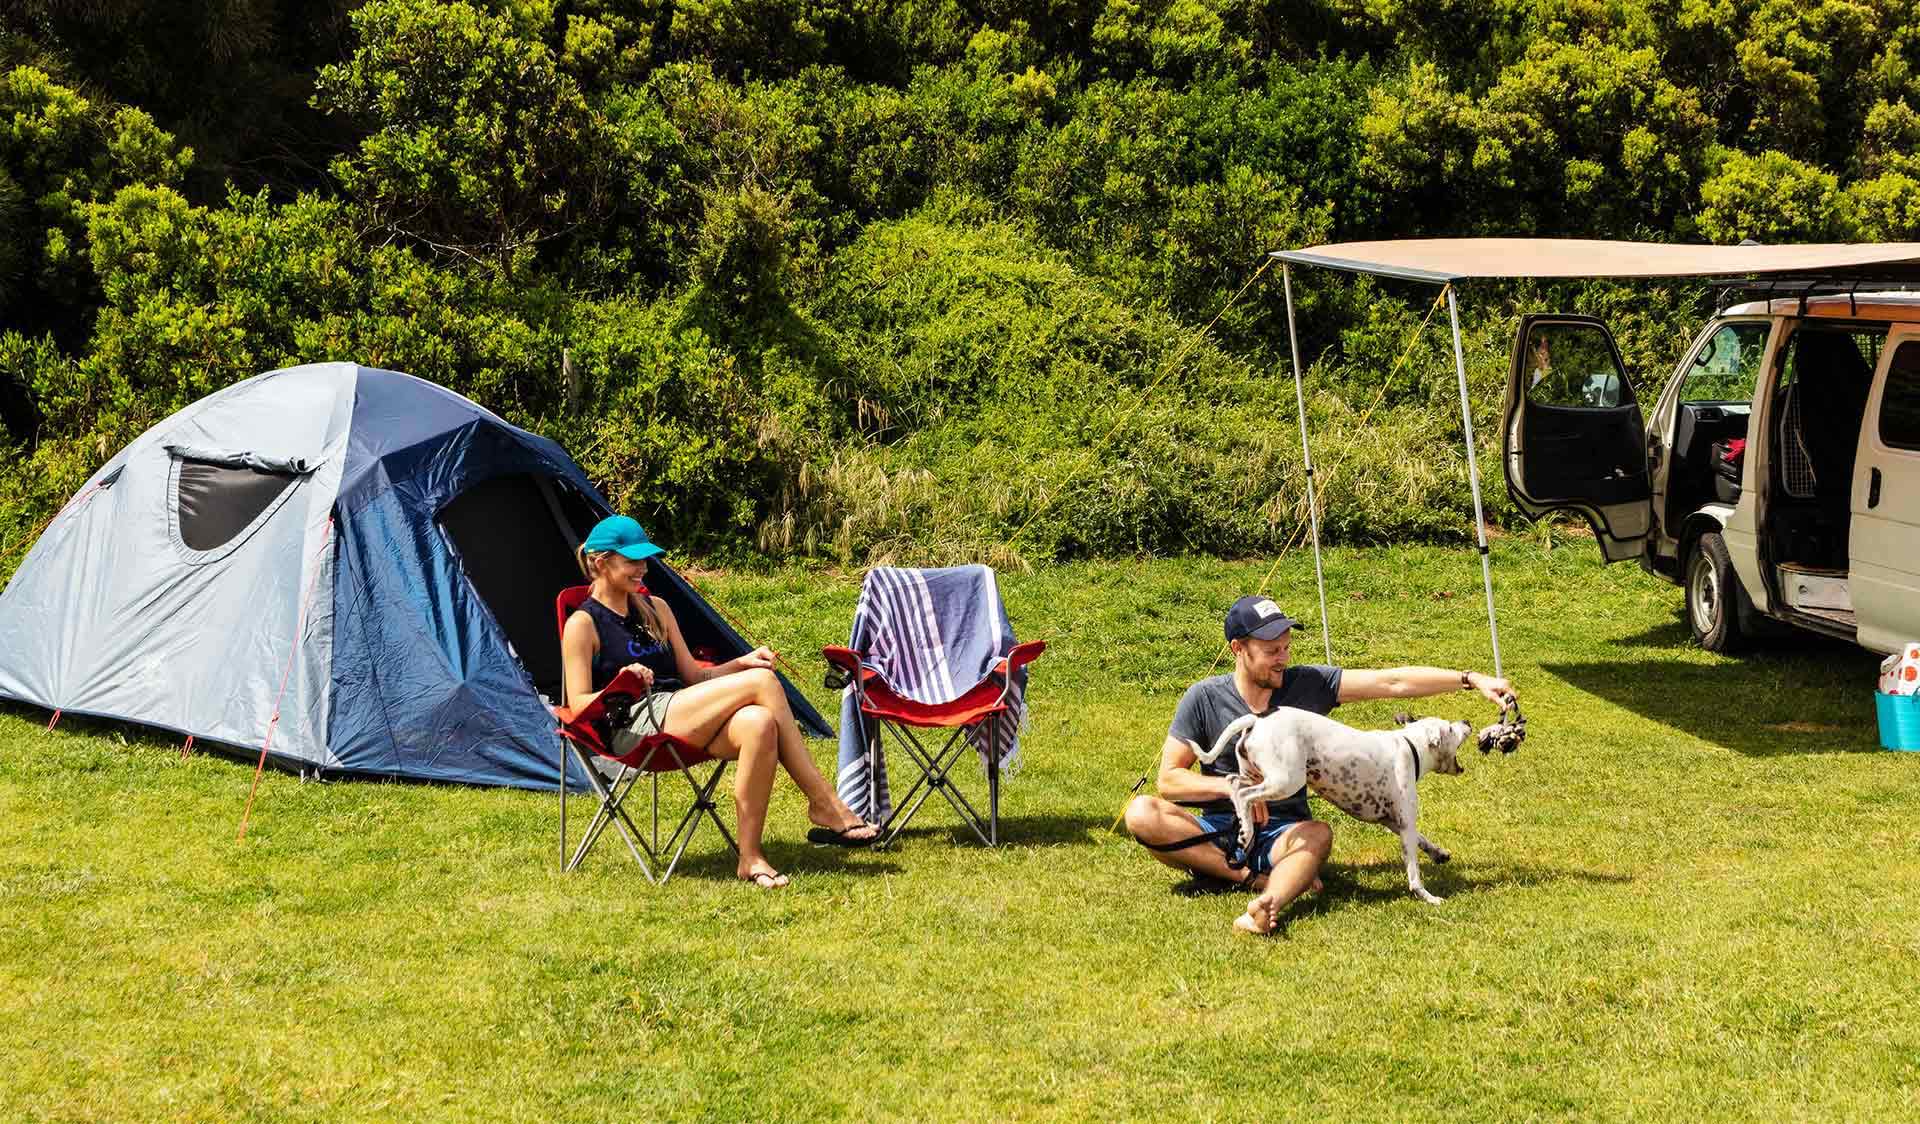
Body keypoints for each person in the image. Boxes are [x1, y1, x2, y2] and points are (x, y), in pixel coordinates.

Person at [1123, 595, 1517, 935]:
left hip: (1285, 836)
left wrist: (1470, 679)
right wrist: (1231, 788)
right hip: (1215, 830)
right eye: (1271, 650)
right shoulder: (1204, 697)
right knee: (1141, 812)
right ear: (1238, 649)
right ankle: (1246, 878)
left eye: (1286, 647)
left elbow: (1391, 682)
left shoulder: (1306, 685)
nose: (1283, 659)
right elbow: (1170, 781)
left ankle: (1266, 904)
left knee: (1319, 836)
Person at [561, 515, 878, 888]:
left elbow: (695, 677)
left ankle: (751, 857)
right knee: (762, 682)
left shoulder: (656, 609)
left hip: (677, 709)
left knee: (759, 723)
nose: (643, 569)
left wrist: (741, 663)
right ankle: (823, 801)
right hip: (631, 724)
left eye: (645, 560)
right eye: (632, 561)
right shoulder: (582, 624)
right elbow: (577, 705)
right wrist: (620, 683)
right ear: (601, 562)